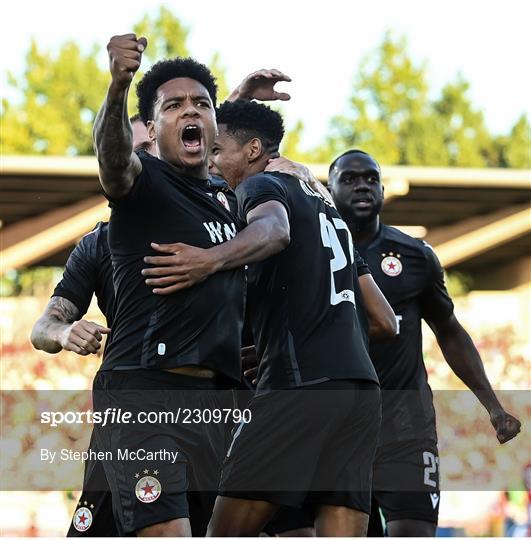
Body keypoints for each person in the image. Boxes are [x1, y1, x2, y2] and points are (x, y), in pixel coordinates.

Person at [141, 100, 386, 537]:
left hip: (298, 389)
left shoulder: (260, 186)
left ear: (253, 150)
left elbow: (274, 231)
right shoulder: (325, 205)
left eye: (218, 151)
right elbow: (383, 319)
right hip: (360, 390)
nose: (212, 162)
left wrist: (208, 261)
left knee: (224, 533)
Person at [91, 33, 247, 536]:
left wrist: (235, 100)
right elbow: (113, 160)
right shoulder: (147, 185)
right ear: (152, 129)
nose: (190, 112)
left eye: (201, 104)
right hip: (147, 394)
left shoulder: (228, 196)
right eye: (173, 105)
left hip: (222, 402)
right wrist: (118, 87)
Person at [325, 149, 522, 536]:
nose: (362, 185)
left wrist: (493, 406)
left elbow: (449, 330)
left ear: (382, 189)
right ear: (329, 190)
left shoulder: (416, 255)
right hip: (337, 429)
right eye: (349, 179)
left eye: (369, 177)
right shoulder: (310, 255)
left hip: (406, 428)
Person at [30, 118, 158, 536]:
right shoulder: (97, 244)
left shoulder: (215, 224)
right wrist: (66, 333)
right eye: (129, 150)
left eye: (148, 149)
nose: (138, 160)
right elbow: (43, 327)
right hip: (130, 408)